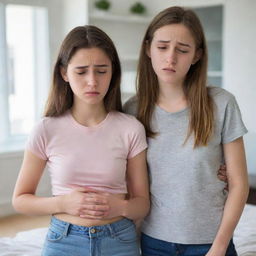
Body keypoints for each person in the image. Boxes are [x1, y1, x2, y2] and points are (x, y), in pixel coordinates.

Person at [12, 25, 150, 256]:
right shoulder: (46, 129)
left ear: (113, 73)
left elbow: (142, 204)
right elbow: (20, 200)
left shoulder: (130, 128)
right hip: (64, 240)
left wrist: (121, 207)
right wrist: (63, 204)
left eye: (101, 70)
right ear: (64, 73)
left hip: (119, 241)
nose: (92, 81)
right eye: (81, 71)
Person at [123, 6, 249, 256]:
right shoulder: (132, 110)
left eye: (182, 50)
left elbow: (239, 184)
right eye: (162, 47)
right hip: (153, 242)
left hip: (211, 243)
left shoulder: (222, 103)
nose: (170, 57)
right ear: (148, 49)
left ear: (197, 55)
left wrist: (219, 247)